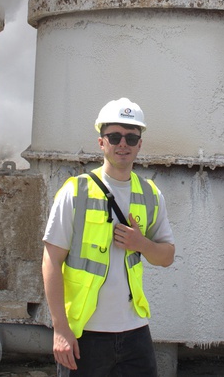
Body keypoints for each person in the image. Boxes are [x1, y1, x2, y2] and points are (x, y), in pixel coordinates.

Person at [42, 97, 176, 377]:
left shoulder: (150, 194)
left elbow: (167, 256)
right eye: (114, 136)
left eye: (131, 137)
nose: (122, 143)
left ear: (140, 143)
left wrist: (141, 244)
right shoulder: (75, 192)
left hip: (135, 331)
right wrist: (60, 329)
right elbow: (51, 261)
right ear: (101, 142)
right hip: (85, 334)